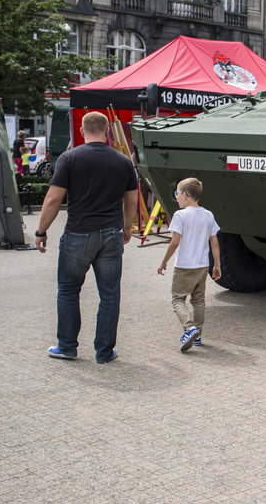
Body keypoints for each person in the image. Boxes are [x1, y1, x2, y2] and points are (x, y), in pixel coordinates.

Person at [36, 111, 138, 363]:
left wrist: (41, 231)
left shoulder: (70, 158)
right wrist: (127, 227)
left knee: (69, 290)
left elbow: (53, 198)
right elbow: (132, 198)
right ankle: (104, 352)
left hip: (78, 234)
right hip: (111, 233)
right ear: (108, 132)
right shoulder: (123, 161)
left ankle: (67, 347)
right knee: (110, 294)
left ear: (82, 131)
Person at [157, 178, 222, 351]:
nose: (176, 197)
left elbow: (174, 243)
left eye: (177, 194)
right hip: (202, 266)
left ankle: (189, 327)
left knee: (177, 299)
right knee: (198, 301)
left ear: (185, 195)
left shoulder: (180, 215)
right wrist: (217, 265)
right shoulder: (208, 215)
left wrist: (164, 261)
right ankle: (198, 335)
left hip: (184, 265)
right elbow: (214, 243)